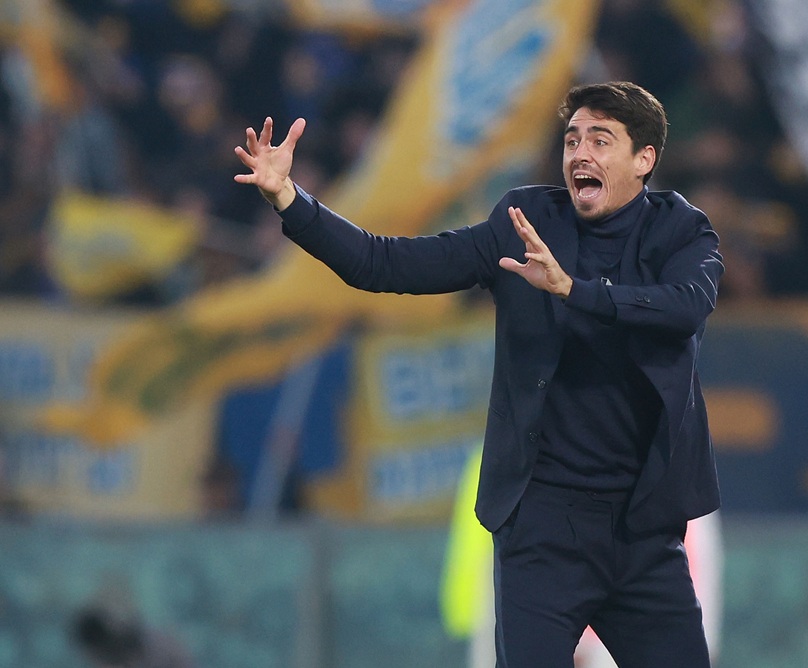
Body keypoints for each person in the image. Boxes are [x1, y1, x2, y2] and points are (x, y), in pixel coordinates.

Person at [235, 81, 724, 667]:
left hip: (641, 533)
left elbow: (686, 306)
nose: (580, 154)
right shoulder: (524, 223)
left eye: (601, 140)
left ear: (644, 159)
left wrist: (576, 291)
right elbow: (384, 262)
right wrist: (291, 200)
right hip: (543, 527)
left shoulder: (682, 231)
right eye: (572, 140)